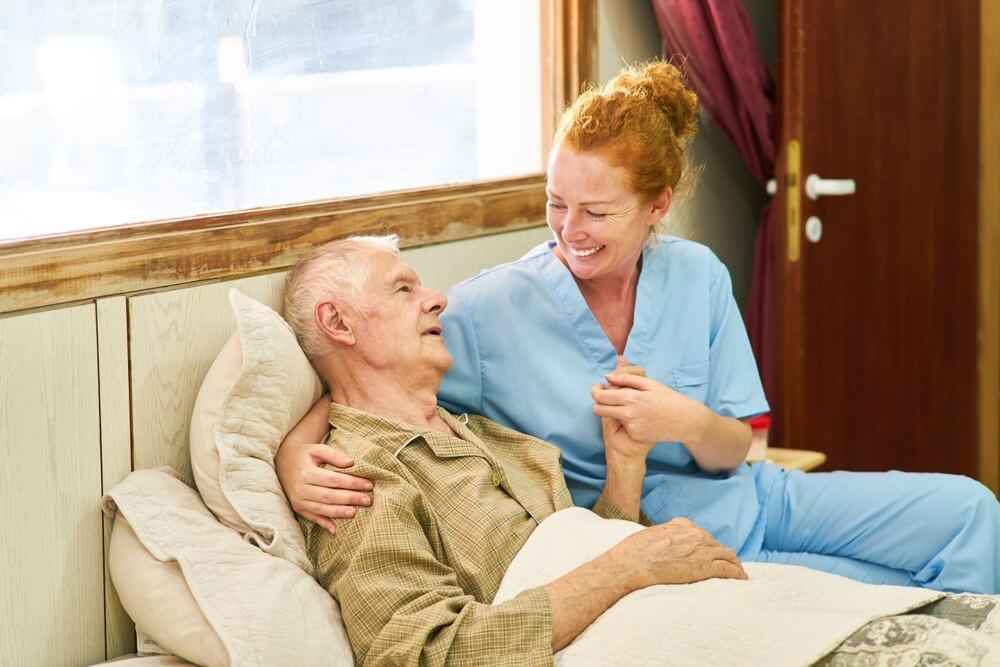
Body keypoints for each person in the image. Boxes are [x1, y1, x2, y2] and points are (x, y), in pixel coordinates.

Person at [277, 60, 1000, 594]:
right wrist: (292, 454)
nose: (569, 230)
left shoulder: (699, 275)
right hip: (668, 545)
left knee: (971, 511)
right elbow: (369, 374)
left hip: (759, 497)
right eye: (556, 202)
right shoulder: (493, 308)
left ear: (657, 206)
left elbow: (734, 449)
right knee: (894, 593)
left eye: (596, 211)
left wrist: (677, 417)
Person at [280, 236, 747, 665]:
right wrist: (624, 568)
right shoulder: (353, 481)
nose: (437, 299)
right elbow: (423, 654)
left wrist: (625, 466)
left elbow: (581, 563)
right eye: (403, 289)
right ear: (338, 322)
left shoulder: (485, 435)